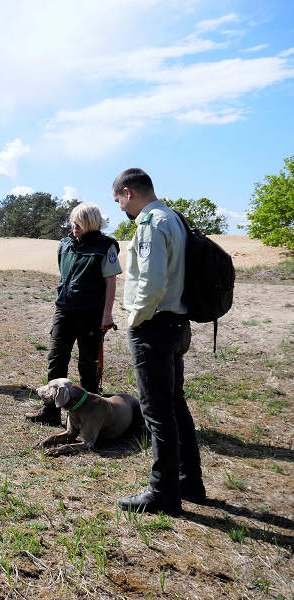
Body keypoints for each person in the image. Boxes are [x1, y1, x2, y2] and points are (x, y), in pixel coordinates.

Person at [113, 168, 205, 514]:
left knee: (156, 411)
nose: (120, 207)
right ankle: (188, 481)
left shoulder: (152, 222)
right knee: (174, 405)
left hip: (155, 325)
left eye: (118, 200)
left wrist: (135, 319)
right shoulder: (175, 217)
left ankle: (163, 493)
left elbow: (151, 282)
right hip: (176, 323)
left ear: (128, 192)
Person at [26, 203, 122, 425]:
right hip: (64, 310)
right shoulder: (64, 244)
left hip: (90, 313)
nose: (74, 225)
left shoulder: (106, 246)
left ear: (91, 222)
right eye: (72, 220)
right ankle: (50, 411)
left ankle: (92, 415)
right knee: (56, 359)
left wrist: (107, 314)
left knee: (88, 365)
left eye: (79, 221)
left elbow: (110, 281)